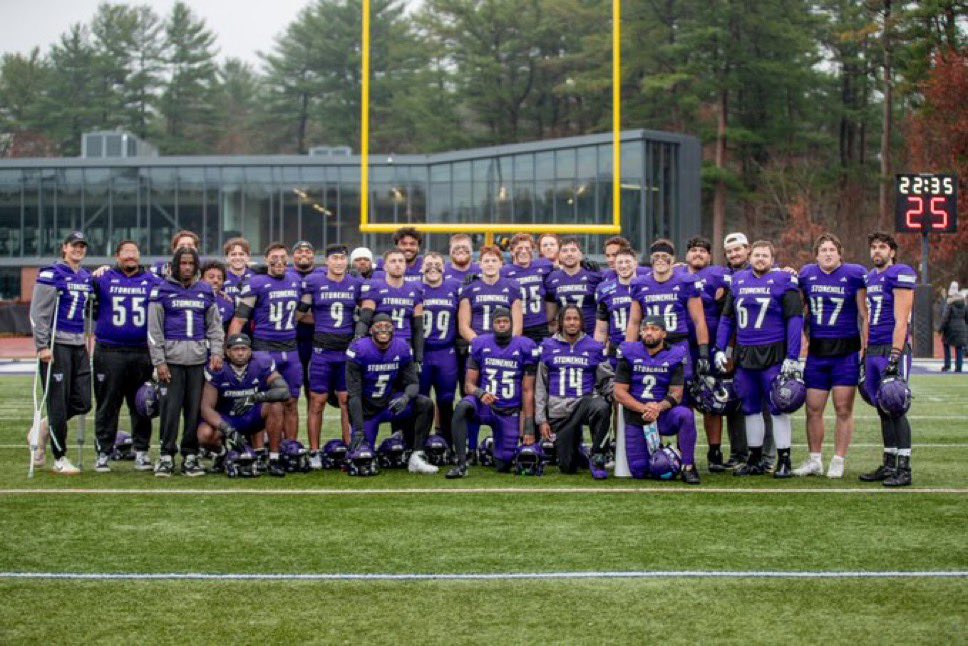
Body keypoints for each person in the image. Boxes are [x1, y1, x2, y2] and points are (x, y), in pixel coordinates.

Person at [715, 240, 803, 478]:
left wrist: (793, 356)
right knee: (751, 408)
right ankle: (754, 458)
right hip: (745, 354)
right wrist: (719, 348)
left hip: (773, 353)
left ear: (772, 259)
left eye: (765, 255)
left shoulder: (784, 280)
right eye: (757, 255)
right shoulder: (738, 280)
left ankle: (784, 459)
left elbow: (795, 319)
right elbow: (727, 319)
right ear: (750, 257)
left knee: (778, 407)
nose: (760, 259)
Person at [795, 233, 868, 478]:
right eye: (823, 250)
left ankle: (839, 459)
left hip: (845, 352)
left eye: (832, 250)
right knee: (813, 408)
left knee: (843, 408)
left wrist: (865, 349)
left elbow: (864, 314)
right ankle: (815, 459)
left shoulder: (854, 274)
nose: (827, 253)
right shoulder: (806, 274)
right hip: (817, 352)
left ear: (840, 253)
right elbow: (798, 309)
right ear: (816, 255)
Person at [147, 247, 224, 477]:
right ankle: (166, 455)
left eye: (191, 263)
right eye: (183, 263)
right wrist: (159, 362)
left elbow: (215, 327)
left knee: (193, 411)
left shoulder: (205, 291)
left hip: (198, 361)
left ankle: (190, 455)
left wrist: (217, 353)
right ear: (175, 265)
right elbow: (154, 330)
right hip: (172, 361)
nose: (187, 267)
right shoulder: (162, 290)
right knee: (170, 410)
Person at [90, 240, 160, 472]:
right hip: (109, 350)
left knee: (142, 403)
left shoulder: (152, 280)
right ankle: (103, 451)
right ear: (117, 256)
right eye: (126, 252)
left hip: (142, 351)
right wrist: (95, 274)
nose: (130, 256)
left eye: (134, 252)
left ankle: (141, 451)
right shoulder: (103, 278)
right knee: (108, 404)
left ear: (139, 255)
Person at [447, 307, 539, 478]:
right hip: (485, 406)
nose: (502, 325)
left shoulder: (525, 346)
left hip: (509, 411)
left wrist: (528, 427)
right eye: (498, 322)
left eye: (505, 321)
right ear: (492, 325)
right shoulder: (480, 344)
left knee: (504, 463)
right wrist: (481, 393)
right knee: (462, 407)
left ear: (512, 324)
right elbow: (468, 386)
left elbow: (528, 391)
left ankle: (489, 446)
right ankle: (461, 464)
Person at [29, 231, 94, 474]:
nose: (78, 250)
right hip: (58, 346)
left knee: (83, 401)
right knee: (57, 402)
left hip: (79, 345)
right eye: (74, 246)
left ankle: (42, 428)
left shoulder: (86, 276)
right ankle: (59, 457)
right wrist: (42, 346)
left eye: (82, 246)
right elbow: (38, 314)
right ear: (64, 248)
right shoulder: (51, 274)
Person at [859, 231, 917, 487]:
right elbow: (868, 318)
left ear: (892, 251)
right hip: (873, 348)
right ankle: (890, 462)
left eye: (882, 247)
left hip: (892, 347)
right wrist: (864, 351)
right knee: (882, 407)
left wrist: (896, 353)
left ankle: (904, 468)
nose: (877, 252)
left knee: (895, 403)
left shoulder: (899, 272)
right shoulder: (870, 277)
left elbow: (901, 318)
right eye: (873, 247)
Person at [345, 313, 438, 474]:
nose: (383, 330)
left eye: (387, 327)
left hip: (390, 404)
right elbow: (354, 395)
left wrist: (406, 397)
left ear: (394, 330)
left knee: (425, 404)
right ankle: (366, 439)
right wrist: (358, 429)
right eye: (379, 327)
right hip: (367, 410)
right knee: (362, 458)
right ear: (371, 330)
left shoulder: (401, 347)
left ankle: (416, 455)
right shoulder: (359, 349)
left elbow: (413, 383)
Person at [613, 315, 701, 484]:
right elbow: (619, 393)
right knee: (640, 471)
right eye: (645, 329)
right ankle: (665, 457)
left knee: (685, 415)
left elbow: (677, 393)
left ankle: (688, 466)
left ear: (664, 334)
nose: (649, 333)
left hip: (663, 415)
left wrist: (657, 408)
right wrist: (644, 409)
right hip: (637, 416)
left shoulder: (675, 354)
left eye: (654, 329)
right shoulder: (629, 352)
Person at [228, 243, 303, 441]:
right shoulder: (257, 283)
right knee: (263, 402)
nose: (278, 260)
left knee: (292, 401)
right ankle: (261, 449)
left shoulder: (295, 280)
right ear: (266, 259)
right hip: (265, 347)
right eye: (273, 257)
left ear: (288, 259)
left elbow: (301, 314)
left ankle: (291, 447)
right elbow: (239, 318)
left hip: (291, 347)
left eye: (282, 256)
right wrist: (230, 349)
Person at [299, 244, 362, 464]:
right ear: (326, 261)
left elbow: (364, 315)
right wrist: (321, 325)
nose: (338, 262)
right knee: (317, 401)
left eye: (342, 258)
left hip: (346, 352)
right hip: (321, 351)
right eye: (334, 258)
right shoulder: (314, 282)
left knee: (346, 400)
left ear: (347, 262)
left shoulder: (356, 284)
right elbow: (299, 314)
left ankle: (349, 448)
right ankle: (315, 452)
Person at [197, 333, 291, 477]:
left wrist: (255, 398)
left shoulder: (261, 362)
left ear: (250, 350)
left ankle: (274, 459)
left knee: (275, 405)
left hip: (251, 415)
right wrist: (228, 430)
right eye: (236, 349)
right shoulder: (218, 367)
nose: (240, 353)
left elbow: (284, 392)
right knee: (204, 435)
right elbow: (206, 408)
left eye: (244, 349)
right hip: (227, 417)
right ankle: (223, 454)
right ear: (227, 352)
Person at [535, 305, 613, 477]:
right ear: (561, 322)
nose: (572, 323)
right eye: (568, 319)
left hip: (584, 403)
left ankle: (598, 455)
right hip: (559, 410)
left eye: (575, 319)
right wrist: (541, 420)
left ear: (581, 322)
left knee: (601, 406)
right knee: (567, 467)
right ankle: (579, 449)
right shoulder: (548, 346)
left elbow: (606, 379)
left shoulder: (593, 347)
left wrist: (616, 394)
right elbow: (540, 386)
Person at [720, 231, 776, 470]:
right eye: (729, 251)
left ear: (749, 249)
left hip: (765, 348)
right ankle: (739, 453)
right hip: (735, 348)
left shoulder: (772, 273)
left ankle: (768, 455)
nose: (734, 254)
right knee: (737, 400)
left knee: (766, 402)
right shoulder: (722, 275)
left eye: (738, 249)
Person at [625, 239, 711, 386]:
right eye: (656, 256)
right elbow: (634, 322)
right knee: (652, 389)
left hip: (678, 343)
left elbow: (699, 320)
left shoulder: (686, 282)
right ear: (651, 260)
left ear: (673, 259)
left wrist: (703, 353)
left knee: (683, 390)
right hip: (651, 345)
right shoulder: (639, 284)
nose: (660, 260)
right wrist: (629, 350)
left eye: (665, 256)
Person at [683, 236, 731, 471]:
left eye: (703, 251)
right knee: (685, 401)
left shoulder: (718, 274)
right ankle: (686, 452)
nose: (698, 254)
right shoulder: (678, 274)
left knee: (713, 399)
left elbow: (746, 279)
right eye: (694, 250)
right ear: (686, 255)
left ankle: (714, 451)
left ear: (710, 256)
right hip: (682, 347)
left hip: (711, 347)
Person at [419, 252, 462, 446]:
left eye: (437, 264)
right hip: (423, 353)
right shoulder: (415, 288)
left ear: (444, 268)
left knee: (446, 400)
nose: (433, 267)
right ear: (421, 267)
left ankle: (447, 444)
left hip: (446, 352)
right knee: (421, 401)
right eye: (428, 264)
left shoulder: (454, 287)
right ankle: (418, 443)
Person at [357, 249, 425, 362]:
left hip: (405, 344)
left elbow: (418, 328)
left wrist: (419, 357)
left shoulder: (415, 289)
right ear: (385, 267)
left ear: (405, 265)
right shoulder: (375, 286)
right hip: (379, 344)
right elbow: (364, 321)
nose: (397, 264)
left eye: (401, 261)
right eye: (393, 261)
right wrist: (359, 342)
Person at [458, 245, 524, 340]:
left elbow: (517, 327)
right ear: (480, 264)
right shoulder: (470, 287)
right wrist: (479, 343)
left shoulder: (511, 286)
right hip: (479, 342)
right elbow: (463, 327)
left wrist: (508, 345)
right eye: (486, 261)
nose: (490, 264)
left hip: (504, 343)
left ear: (501, 264)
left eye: (494, 261)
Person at [545, 237, 603, 337]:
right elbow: (550, 316)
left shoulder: (594, 276)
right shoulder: (552, 278)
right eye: (565, 251)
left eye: (573, 250)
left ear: (581, 254)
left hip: (590, 334)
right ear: (559, 255)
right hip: (564, 335)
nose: (569, 254)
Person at [502, 233, 553, 343]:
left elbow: (563, 266)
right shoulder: (504, 271)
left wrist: (583, 262)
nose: (524, 251)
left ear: (533, 251)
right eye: (519, 248)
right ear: (511, 251)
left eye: (527, 248)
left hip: (540, 326)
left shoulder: (544, 265)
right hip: (516, 326)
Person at [200, 261, 234, 335]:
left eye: (220, 278)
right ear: (201, 279)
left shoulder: (228, 303)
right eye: (211, 277)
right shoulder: (191, 299)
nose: (216, 280)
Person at [940, 281, 967, 372]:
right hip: (962, 328)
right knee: (959, 347)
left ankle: (947, 365)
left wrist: (941, 328)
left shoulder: (949, 304)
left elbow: (945, 317)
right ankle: (958, 367)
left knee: (946, 344)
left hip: (950, 329)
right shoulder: (964, 304)